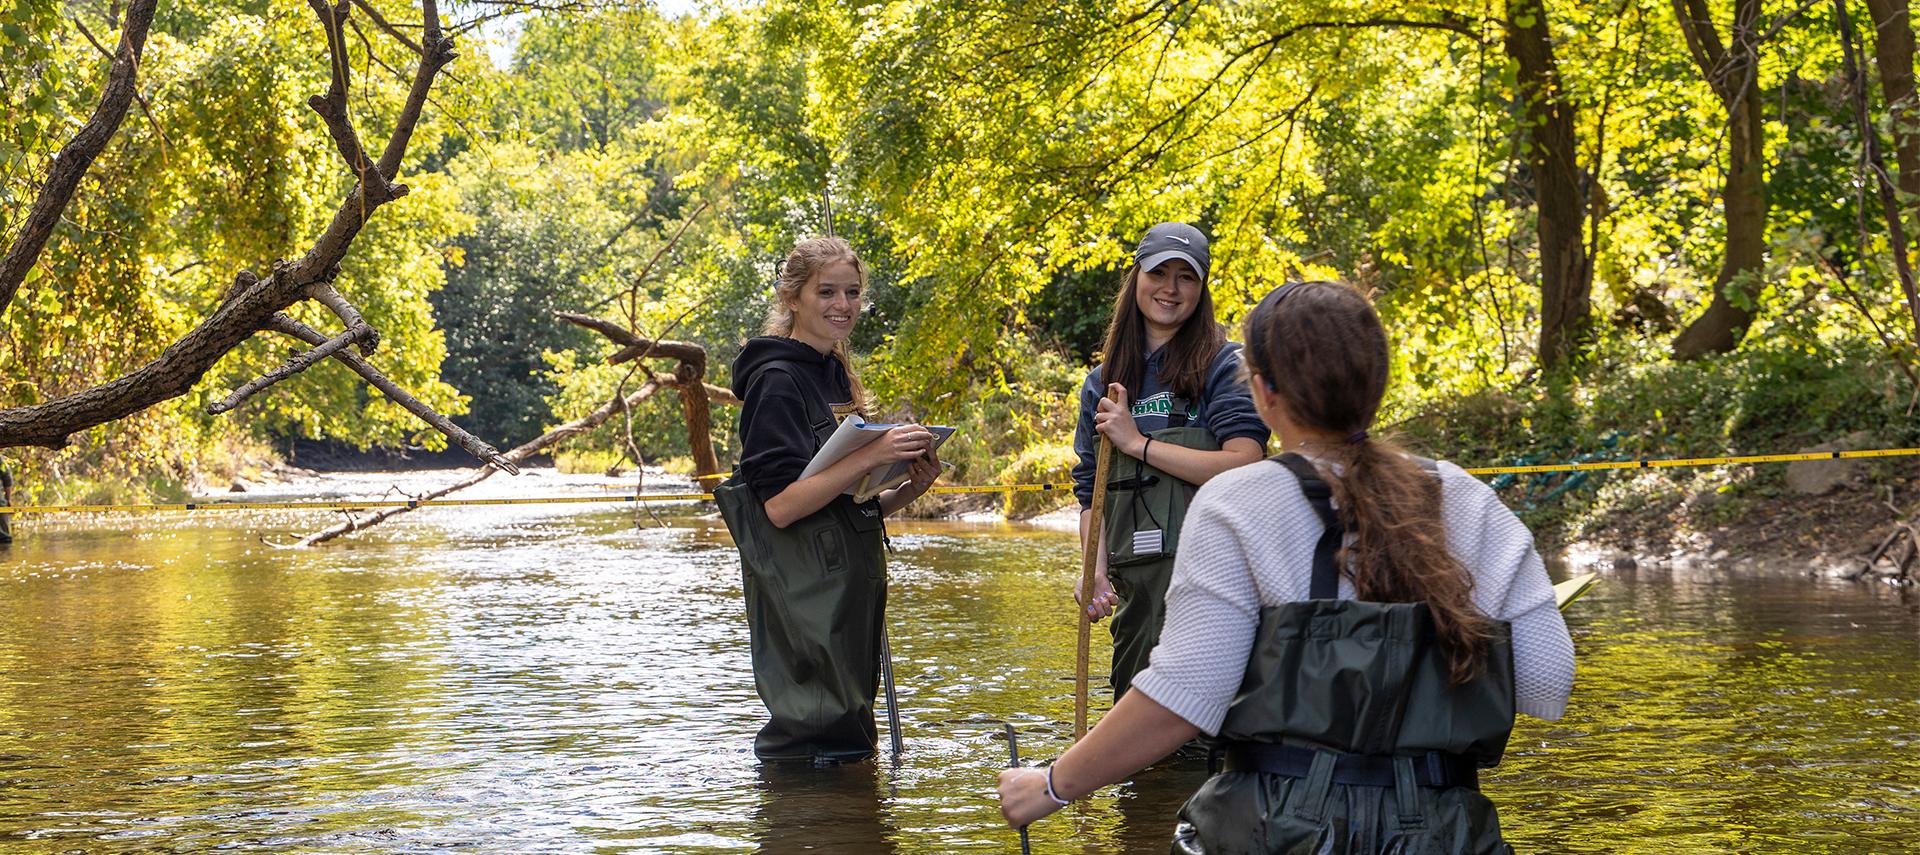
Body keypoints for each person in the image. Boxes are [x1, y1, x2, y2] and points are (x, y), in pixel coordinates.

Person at [1001, 281, 1576, 852]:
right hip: (1441, 830)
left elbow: (1183, 697)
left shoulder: (1237, 503)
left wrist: (1050, 785)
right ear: (1376, 383)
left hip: (1281, 830)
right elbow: (1547, 684)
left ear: (1262, 393)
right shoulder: (1468, 500)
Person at [713, 236, 941, 765]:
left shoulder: (833, 371)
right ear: (792, 298)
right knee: (815, 740)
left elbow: (846, 506)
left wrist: (909, 488)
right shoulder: (776, 382)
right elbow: (780, 508)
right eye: (828, 292)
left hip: (845, 586)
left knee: (849, 735)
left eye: (853, 292)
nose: (844, 305)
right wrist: (871, 454)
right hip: (807, 598)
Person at [1072, 222, 1269, 702]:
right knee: (1139, 747)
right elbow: (1087, 494)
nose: (1171, 288)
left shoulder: (1227, 366)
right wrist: (1093, 570)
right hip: (1137, 599)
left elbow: (1246, 462)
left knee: (1205, 741)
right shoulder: (1103, 382)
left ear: (1201, 291)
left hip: (1215, 589)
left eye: (1187, 277)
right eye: (1160, 272)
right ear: (1136, 276)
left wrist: (1137, 443)